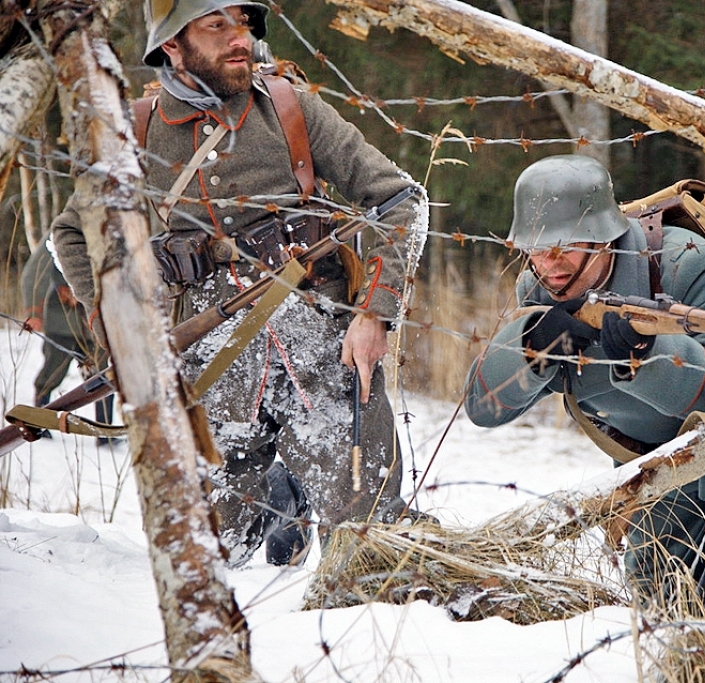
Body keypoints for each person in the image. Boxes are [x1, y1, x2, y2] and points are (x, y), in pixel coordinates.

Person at [52, 0, 427, 567]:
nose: (240, 39)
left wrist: (374, 313)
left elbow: (402, 200)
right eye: (217, 25)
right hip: (208, 369)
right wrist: (115, 322)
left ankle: (309, 490)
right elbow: (71, 234)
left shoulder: (290, 108)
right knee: (213, 559)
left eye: (245, 24)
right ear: (172, 45)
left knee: (371, 547)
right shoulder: (133, 133)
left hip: (324, 351)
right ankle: (283, 494)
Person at [464, 154, 705, 617]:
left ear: (604, 237)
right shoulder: (542, 289)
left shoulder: (688, 263)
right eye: (537, 250)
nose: (550, 264)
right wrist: (536, 344)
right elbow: (484, 408)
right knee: (663, 606)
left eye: (565, 247)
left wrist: (648, 354)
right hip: (668, 466)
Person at [20, 244, 116, 432]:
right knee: (52, 374)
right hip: (61, 321)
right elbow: (33, 272)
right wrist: (33, 310)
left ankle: (105, 432)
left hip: (93, 323)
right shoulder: (60, 230)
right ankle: (40, 424)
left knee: (102, 377)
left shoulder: (106, 227)